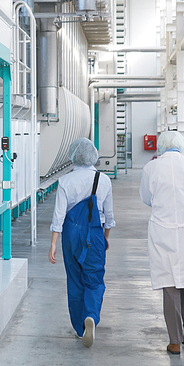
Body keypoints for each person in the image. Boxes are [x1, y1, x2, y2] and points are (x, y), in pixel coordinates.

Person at [139, 131, 184, 355]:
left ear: (160, 147)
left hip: (163, 230)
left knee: (170, 285)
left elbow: (146, 198)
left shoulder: (150, 168)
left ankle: (175, 340)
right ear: (182, 146)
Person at [49, 137, 115, 348]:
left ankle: (80, 329)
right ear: (93, 155)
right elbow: (109, 215)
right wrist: (105, 237)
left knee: (75, 280)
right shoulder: (104, 180)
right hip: (94, 234)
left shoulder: (65, 181)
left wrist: (53, 244)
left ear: (73, 155)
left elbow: (59, 215)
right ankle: (91, 317)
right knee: (94, 280)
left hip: (70, 235)